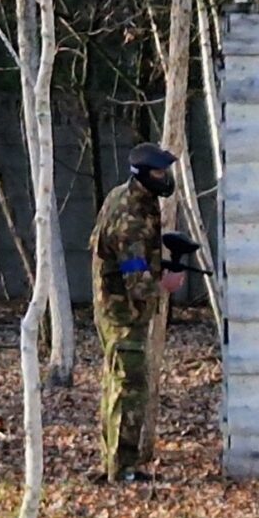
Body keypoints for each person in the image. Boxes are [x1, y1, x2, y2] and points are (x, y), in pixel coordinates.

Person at [90, 143, 186, 483]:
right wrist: (165, 284)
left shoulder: (128, 198)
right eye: (159, 173)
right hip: (124, 313)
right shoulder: (131, 216)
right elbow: (136, 280)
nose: (165, 178)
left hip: (114, 309)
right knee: (129, 387)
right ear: (143, 175)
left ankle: (114, 464)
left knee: (116, 384)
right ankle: (122, 469)